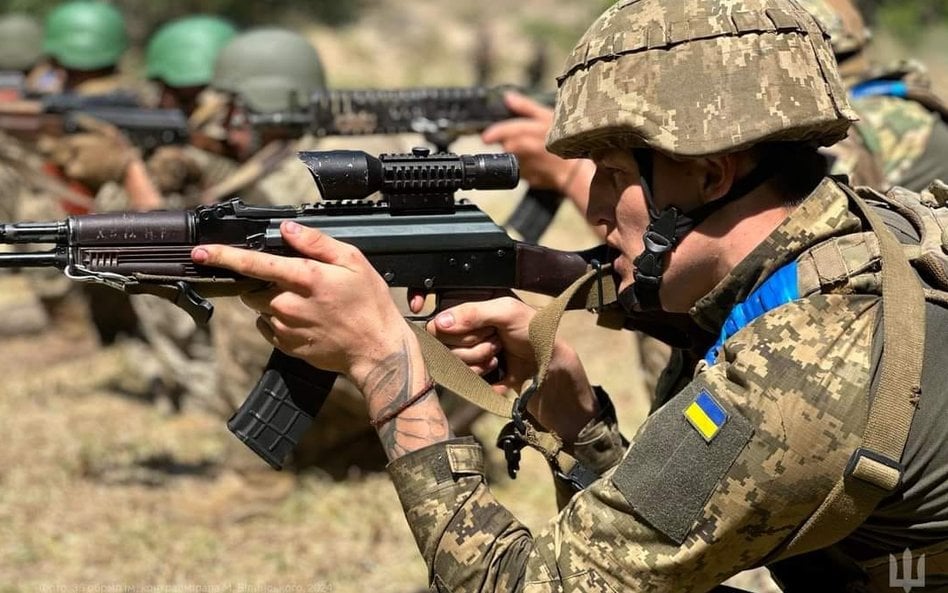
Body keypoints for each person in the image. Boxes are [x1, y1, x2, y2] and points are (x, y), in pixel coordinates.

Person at [191, 0, 948, 590]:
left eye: (616, 176)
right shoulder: (854, 239)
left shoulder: (800, 365)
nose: (592, 208)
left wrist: (388, 361)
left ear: (712, 174)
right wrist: (579, 426)